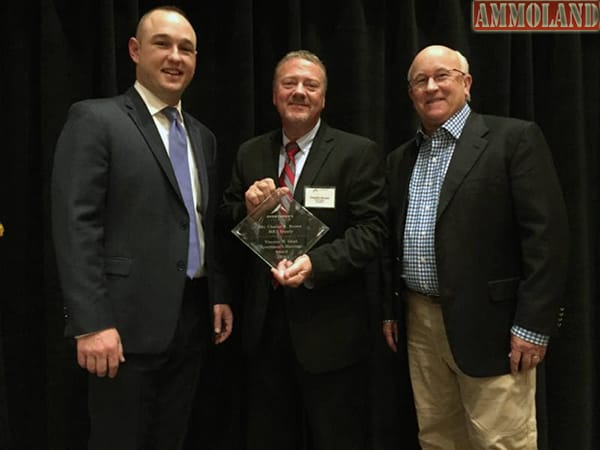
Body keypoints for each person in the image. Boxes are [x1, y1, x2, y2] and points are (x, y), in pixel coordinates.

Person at [51, 6, 232, 450]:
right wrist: (90, 323)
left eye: (186, 49)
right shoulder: (96, 120)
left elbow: (201, 222)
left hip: (190, 321)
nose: (176, 57)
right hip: (120, 328)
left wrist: (219, 292)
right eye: (163, 44)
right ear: (134, 50)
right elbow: (77, 225)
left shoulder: (202, 136)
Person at [381, 44, 569, 449]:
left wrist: (533, 324)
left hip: (494, 328)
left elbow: (546, 238)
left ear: (466, 84)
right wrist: (390, 310)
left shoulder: (512, 139)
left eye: (442, 76)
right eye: (420, 80)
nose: (431, 87)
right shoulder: (400, 159)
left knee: (501, 441)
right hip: (420, 321)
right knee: (437, 438)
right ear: (410, 93)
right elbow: (388, 243)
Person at [219, 50, 388, 450]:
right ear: (275, 95)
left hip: (330, 332)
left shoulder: (356, 153)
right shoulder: (250, 153)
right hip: (264, 330)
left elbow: (372, 231)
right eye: (289, 84)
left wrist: (315, 264)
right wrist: (245, 206)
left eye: (310, 85)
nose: (299, 91)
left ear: (324, 98)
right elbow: (225, 220)